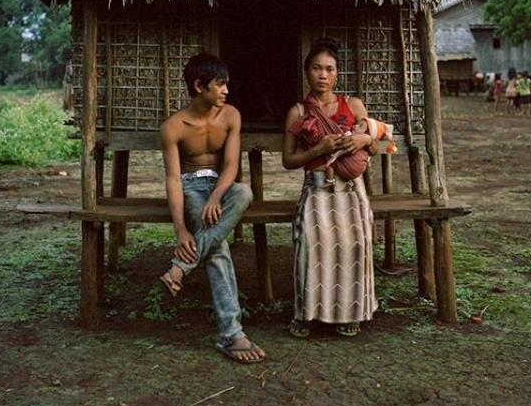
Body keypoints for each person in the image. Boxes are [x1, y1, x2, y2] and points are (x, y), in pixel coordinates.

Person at [158, 53, 265, 364]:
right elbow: (174, 181)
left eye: (226, 85)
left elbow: (232, 165)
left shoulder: (231, 116)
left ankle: (180, 268)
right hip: (191, 187)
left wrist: (217, 197)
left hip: (220, 186)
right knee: (217, 247)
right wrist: (180, 229)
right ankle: (232, 335)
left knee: (244, 192)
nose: (226, 91)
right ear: (199, 86)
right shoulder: (173, 127)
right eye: (220, 85)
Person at [282, 39, 379, 339]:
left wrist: (365, 141)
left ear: (337, 74)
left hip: (350, 191)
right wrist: (318, 150)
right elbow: (288, 160)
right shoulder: (297, 112)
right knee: (312, 244)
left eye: (329, 69)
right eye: (316, 68)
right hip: (317, 191)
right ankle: (306, 313)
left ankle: (351, 313)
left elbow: (379, 145)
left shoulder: (353, 105)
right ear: (306, 73)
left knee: (355, 245)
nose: (323, 75)